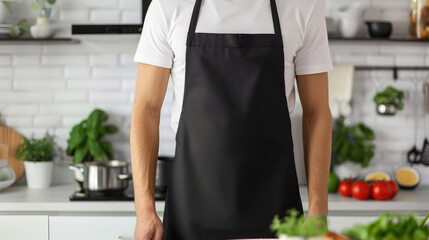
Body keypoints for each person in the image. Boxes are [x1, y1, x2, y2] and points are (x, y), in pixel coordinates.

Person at [130, 0, 333, 239]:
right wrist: (144, 211)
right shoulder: (168, 5)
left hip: (278, 215)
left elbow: (317, 113)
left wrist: (318, 210)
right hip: (191, 214)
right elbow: (146, 111)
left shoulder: (303, 6)